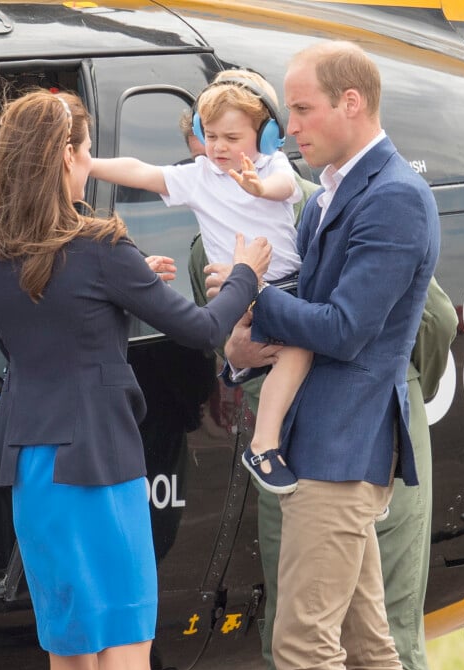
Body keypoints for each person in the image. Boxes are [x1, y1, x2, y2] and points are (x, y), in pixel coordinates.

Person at [0, 88, 270, 670]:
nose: (87, 161)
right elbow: (205, 331)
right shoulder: (97, 244)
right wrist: (247, 271)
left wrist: (137, 281)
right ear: (62, 158)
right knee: (127, 666)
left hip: (32, 466)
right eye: (83, 148)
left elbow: (64, 326)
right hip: (98, 466)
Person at [215, 41, 440, 670]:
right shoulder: (341, 193)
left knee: (304, 644)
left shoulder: (393, 198)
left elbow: (344, 327)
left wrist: (245, 292)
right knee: (369, 653)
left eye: (302, 111)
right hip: (329, 442)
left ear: (352, 104)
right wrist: (253, 337)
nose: (290, 126)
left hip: (341, 450)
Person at [90, 70, 313, 495]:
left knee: (302, 356)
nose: (219, 147)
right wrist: (88, 163)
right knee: (297, 353)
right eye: (210, 136)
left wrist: (259, 187)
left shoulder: (273, 167)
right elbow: (141, 171)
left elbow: (286, 187)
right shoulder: (198, 177)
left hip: (290, 286)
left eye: (231, 137)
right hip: (257, 293)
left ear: (265, 136)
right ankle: (265, 445)